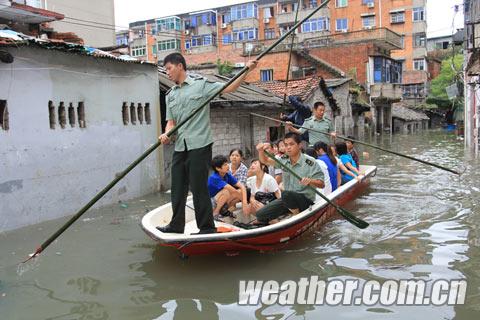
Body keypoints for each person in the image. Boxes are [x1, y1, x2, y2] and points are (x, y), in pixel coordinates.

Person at [158, 53, 257, 234]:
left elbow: (230, 88)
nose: (167, 73)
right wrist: (166, 134)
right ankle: (176, 225)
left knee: (198, 187)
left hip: (200, 144)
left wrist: (247, 70)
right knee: (178, 187)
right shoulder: (170, 95)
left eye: (169, 68)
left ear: (180, 66)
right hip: (181, 146)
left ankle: (206, 227)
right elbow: (170, 122)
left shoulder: (200, 85)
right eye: (165, 70)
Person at [255, 132, 324, 225]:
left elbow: (321, 184)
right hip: (287, 200)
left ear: (299, 145)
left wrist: (310, 181)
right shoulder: (284, 159)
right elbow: (265, 160)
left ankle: (297, 217)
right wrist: (260, 151)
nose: (288, 147)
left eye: (291, 144)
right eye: (286, 145)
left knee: (286, 194)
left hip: (304, 200)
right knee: (260, 215)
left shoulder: (310, 162)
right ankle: (288, 215)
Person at [208, 155, 249, 220]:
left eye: (227, 163)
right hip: (209, 203)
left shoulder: (227, 174)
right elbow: (233, 191)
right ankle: (215, 213)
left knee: (240, 192)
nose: (227, 166)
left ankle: (222, 211)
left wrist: (244, 202)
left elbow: (242, 186)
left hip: (219, 201)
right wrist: (245, 203)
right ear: (218, 168)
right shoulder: (214, 178)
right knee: (227, 191)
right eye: (225, 165)